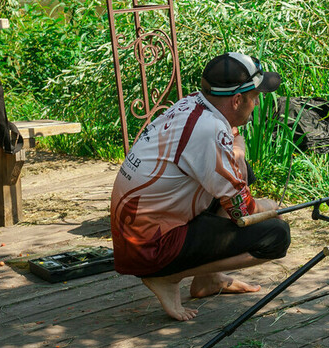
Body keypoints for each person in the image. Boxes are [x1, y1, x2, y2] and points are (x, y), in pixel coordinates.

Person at [110, 52, 290, 321]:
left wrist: (238, 153)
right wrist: (271, 207)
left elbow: (232, 140)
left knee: (240, 170)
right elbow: (244, 212)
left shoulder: (197, 103)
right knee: (276, 236)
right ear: (237, 99)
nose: (256, 103)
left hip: (140, 232)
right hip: (149, 247)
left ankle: (208, 279)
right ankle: (169, 277)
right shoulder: (209, 131)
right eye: (254, 97)